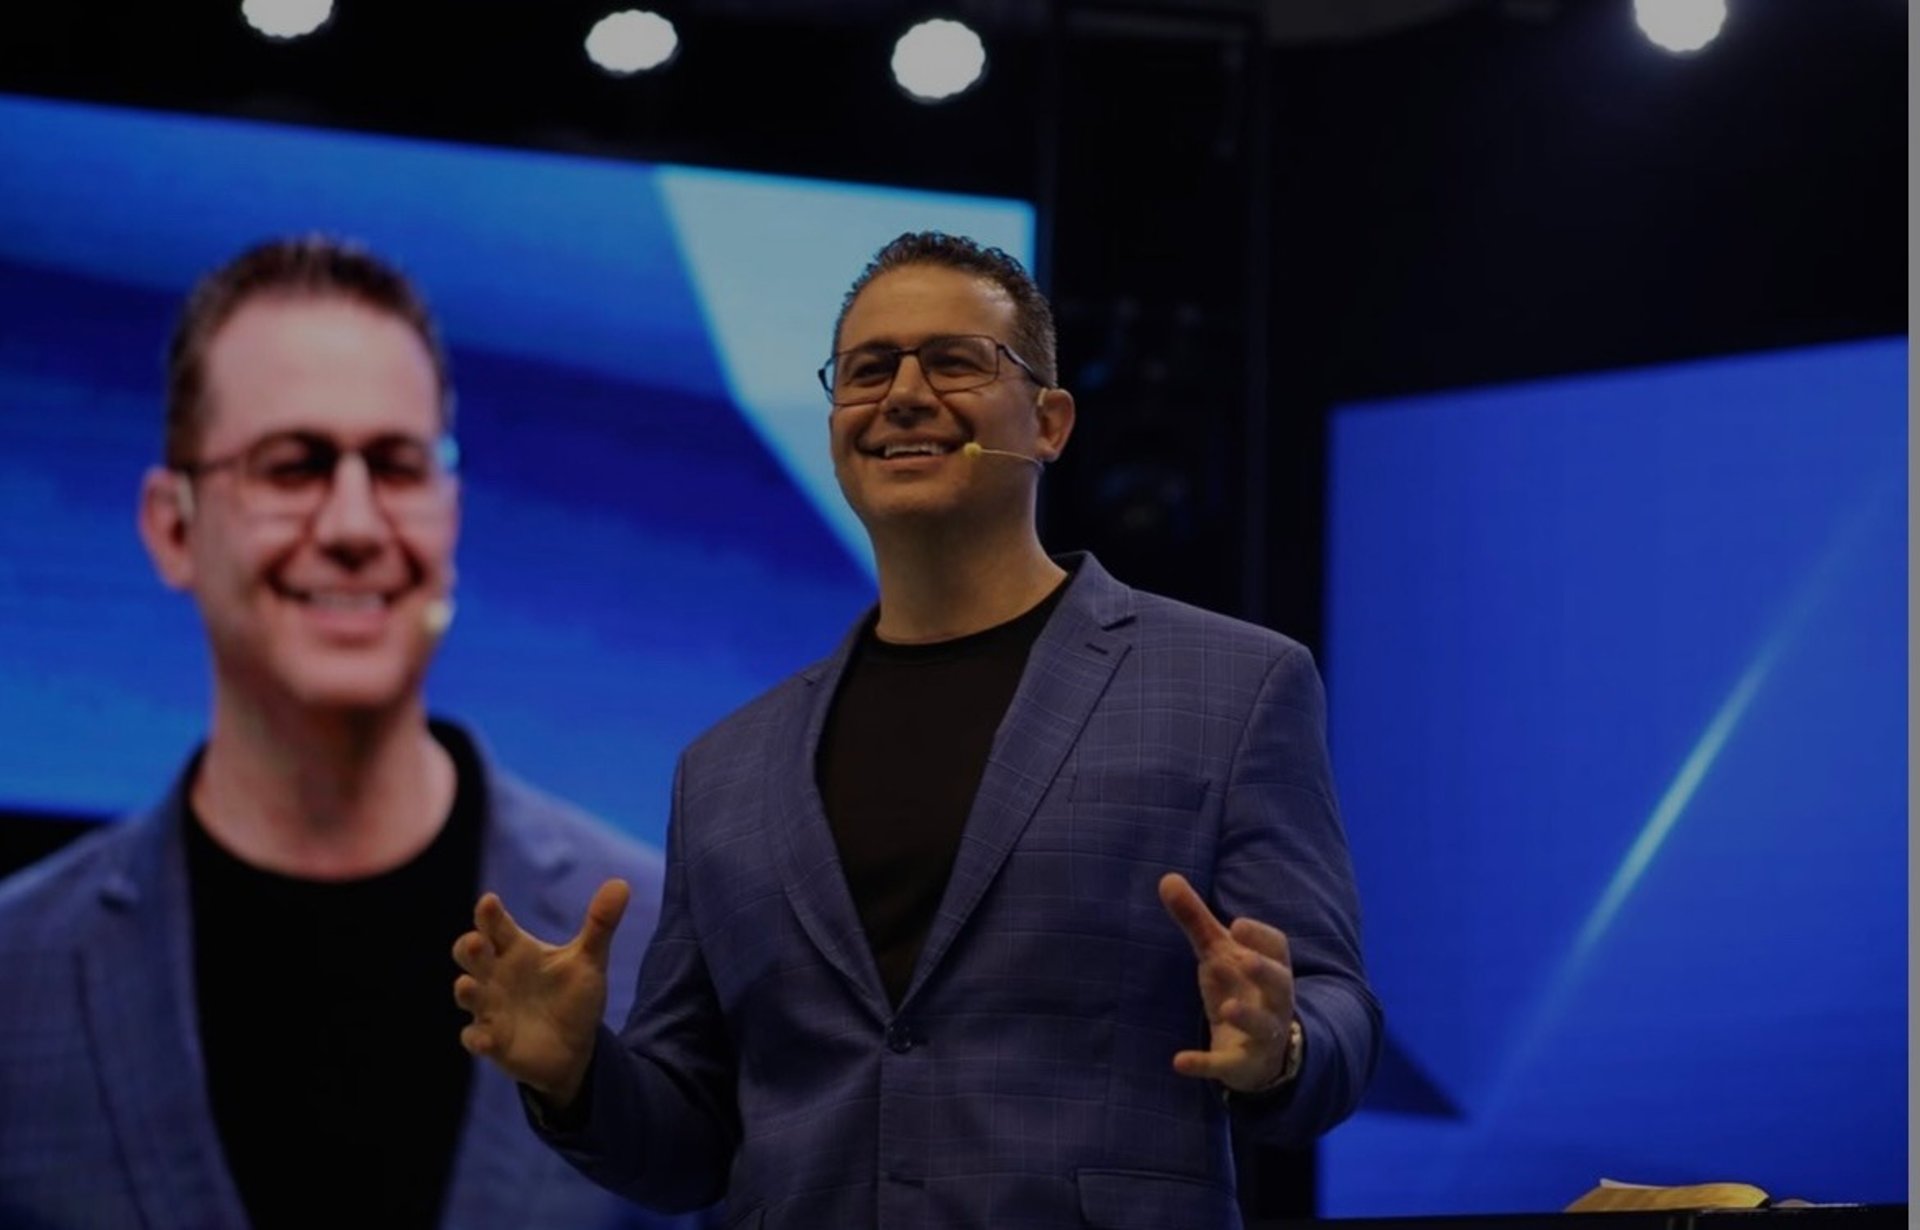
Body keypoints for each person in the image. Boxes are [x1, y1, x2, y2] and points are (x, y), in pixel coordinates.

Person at [455, 232, 1380, 1229]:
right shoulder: (722, 770)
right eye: (867, 370)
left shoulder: (1234, 686)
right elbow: (694, 1149)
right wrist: (578, 1076)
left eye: (953, 362)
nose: (902, 394)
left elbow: (1336, 1007)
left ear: (1052, 422)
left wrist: (1281, 1043)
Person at [0, 236, 688, 1230]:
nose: (358, 523)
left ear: (449, 515)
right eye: (295, 466)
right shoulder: (16, 975)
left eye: (399, 467)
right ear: (172, 527)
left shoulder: (664, 950)